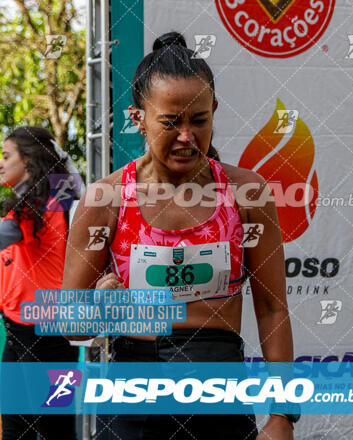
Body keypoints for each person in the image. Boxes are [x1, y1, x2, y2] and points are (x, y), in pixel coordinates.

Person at [63, 32, 297, 439]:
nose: (187, 136)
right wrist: (100, 306)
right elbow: (72, 324)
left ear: (215, 112)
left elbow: (272, 310)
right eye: (171, 122)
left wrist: (282, 415)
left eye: (199, 120)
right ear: (138, 118)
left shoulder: (247, 193)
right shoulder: (105, 200)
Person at [0, 126, 83, 440]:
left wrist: (52, 148)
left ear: (29, 160)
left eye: (7, 156)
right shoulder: (37, 201)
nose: (1, 163)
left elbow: (72, 179)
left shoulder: (51, 202)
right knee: (16, 429)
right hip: (18, 329)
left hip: (49, 334)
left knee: (54, 430)